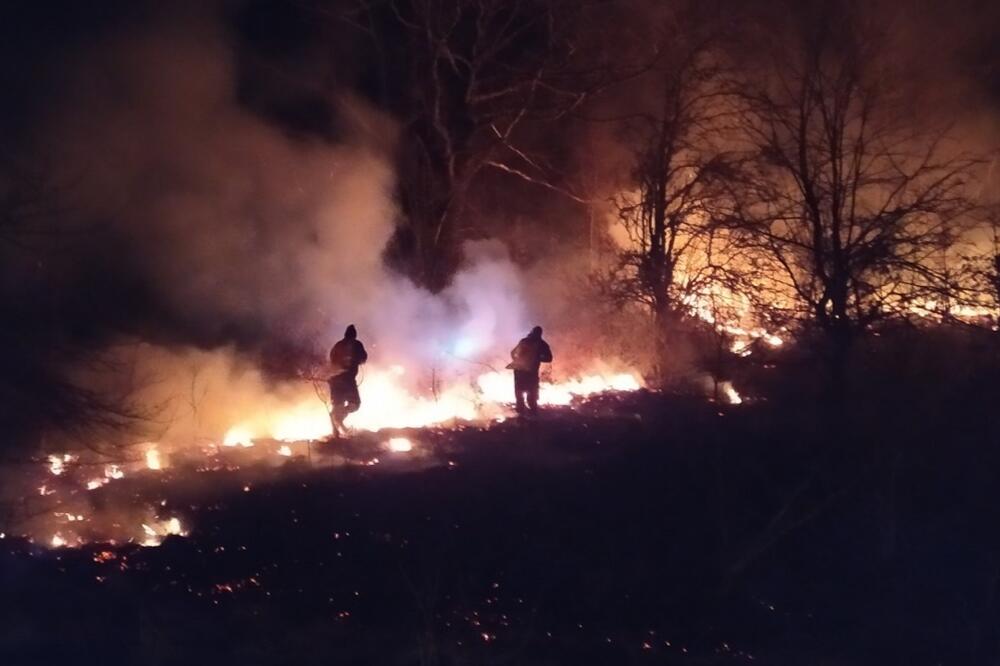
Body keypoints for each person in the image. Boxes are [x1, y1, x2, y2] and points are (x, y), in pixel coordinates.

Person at [328, 324, 368, 437]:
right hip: (348, 380)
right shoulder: (357, 344)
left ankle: (336, 434)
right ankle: (339, 418)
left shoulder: (338, 345)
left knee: (337, 405)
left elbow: (332, 360)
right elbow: (363, 358)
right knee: (355, 404)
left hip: (334, 380)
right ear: (354, 335)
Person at [508, 325, 553, 415]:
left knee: (520, 390)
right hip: (530, 371)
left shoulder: (525, 341)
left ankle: (522, 411)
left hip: (520, 370)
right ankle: (531, 412)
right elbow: (549, 358)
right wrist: (538, 358)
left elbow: (513, 353)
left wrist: (517, 360)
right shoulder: (541, 344)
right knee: (530, 390)